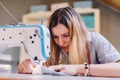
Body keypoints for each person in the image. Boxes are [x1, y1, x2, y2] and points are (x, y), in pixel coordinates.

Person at [18, 7, 120, 77]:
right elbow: (40, 67)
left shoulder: (95, 41)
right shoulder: (52, 46)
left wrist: (79, 68)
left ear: (77, 31)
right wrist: (29, 66)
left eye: (66, 35)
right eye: (55, 37)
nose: (61, 42)